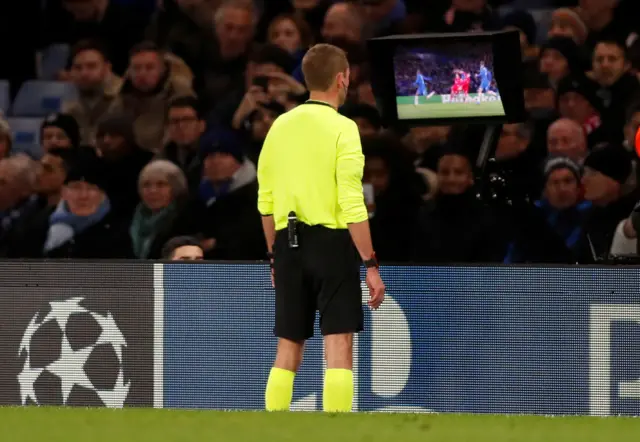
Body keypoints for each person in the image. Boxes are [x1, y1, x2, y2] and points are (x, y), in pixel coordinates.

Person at [257, 43, 385, 413]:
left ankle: (272, 433)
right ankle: (337, 433)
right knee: (338, 341)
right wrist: (370, 263)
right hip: (331, 244)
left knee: (288, 346)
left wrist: (272, 257)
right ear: (342, 78)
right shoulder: (343, 128)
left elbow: (266, 201)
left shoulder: (279, 126)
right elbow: (351, 202)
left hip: (287, 243)